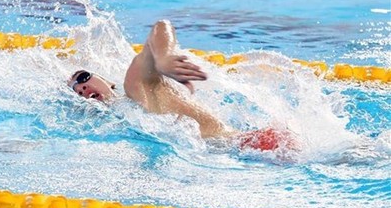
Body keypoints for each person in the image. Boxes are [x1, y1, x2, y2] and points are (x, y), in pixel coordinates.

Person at [68, 20, 297, 152]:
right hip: (241, 153)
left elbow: (161, 26)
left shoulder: (135, 87)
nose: (82, 89)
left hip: (259, 144)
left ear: (109, 81)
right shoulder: (127, 117)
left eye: (83, 77)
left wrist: (164, 57)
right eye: (77, 93)